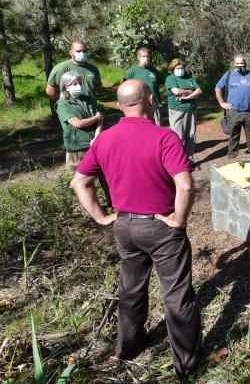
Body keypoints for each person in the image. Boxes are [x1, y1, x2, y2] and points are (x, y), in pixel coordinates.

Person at [70, 80, 201, 379]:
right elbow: (185, 185)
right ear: (151, 101)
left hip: (125, 226)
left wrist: (103, 217)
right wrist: (178, 221)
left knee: (130, 289)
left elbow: (79, 182)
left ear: (119, 106)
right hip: (161, 226)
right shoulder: (165, 137)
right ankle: (187, 365)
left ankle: (128, 348)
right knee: (177, 294)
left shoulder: (103, 140)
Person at [215, 54, 250, 160]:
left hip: (249, 112)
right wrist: (221, 102)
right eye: (237, 63)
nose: (240, 65)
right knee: (233, 136)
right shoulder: (228, 75)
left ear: (245, 63)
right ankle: (232, 157)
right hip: (234, 112)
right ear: (234, 64)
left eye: (242, 63)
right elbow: (218, 88)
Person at [56, 71, 103, 171]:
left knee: (104, 176)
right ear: (66, 87)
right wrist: (96, 118)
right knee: (79, 181)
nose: (79, 86)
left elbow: (100, 118)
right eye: (75, 84)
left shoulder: (87, 99)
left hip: (95, 145)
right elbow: (78, 123)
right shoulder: (63, 104)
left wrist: (97, 136)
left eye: (80, 83)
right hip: (77, 149)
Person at [165, 58, 202, 167]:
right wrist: (191, 91)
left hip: (191, 109)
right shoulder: (170, 78)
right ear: (173, 69)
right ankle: (177, 163)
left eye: (182, 68)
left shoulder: (189, 78)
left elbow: (199, 91)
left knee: (190, 136)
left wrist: (188, 96)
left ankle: (189, 161)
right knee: (178, 136)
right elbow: (176, 92)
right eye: (178, 68)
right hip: (177, 110)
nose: (180, 70)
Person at [124, 46, 163, 125]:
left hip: (154, 103)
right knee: (141, 126)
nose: (146, 58)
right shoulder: (132, 71)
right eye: (143, 56)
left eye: (148, 56)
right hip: (139, 103)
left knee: (156, 126)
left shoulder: (154, 70)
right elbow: (125, 88)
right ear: (138, 57)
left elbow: (158, 84)